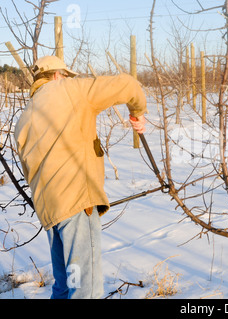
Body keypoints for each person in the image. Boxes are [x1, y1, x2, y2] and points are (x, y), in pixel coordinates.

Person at [14, 55, 147, 299]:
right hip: (76, 205)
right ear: (56, 75)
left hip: (50, 213)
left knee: (64, 286)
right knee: (86, 289)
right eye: (65, 75)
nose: (67, 79)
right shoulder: (71, 90)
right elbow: (128, 84)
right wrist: (137, 113)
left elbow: (28, 171)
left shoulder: (24, 118)